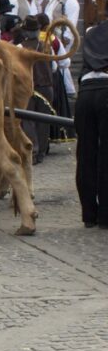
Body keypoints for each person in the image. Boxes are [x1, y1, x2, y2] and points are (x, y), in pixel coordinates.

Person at [75, 18, 108, 228]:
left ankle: (89, 214)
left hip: (86, 92)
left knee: (85, 154)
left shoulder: (91, 31)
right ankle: (106, 216)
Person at [14, 16, 54, 164]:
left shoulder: (18, 48)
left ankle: (33, 151)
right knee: (44, 120)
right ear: (38, 31)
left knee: (28, 119)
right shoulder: (47, 46)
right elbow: (57, 66)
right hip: (46, 87)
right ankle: (42, 151)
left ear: (25, 32)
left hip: (27, 87)